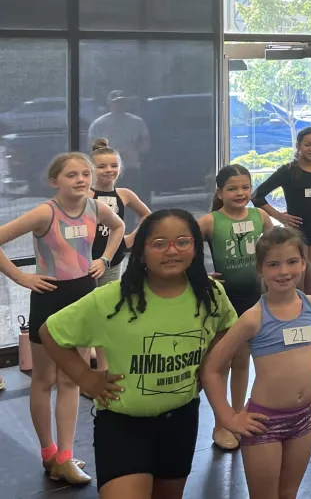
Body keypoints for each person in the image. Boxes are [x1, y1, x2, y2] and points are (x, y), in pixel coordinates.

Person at [39, 209, 236, 498]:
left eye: (182, 241)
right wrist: (86, 378)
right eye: (159, 244)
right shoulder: (113, 297)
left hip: (180, 420)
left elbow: (227, 327)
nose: (171, 250)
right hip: (123, 427)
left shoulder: (210, 293)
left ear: (195, 247)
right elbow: (49, 332)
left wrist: (208, 367)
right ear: (142, 252)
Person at [0, 152, 125, 485]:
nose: (82, 180)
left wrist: (105, 259)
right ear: (55, 181)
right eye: (72, 175)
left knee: (73, 378)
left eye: (85, 173)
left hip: (83, 298)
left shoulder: (96, 207)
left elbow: (120, 227)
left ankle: (66, 456)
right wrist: (21, 277)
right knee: (44, 380)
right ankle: (49, 453)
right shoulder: (45, 213)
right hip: (49, 298)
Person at [201, 227, 311, 499]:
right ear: (260, 270)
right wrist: (228, 417)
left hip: (305, 417)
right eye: (273, 264)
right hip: (265, 423)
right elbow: (212, 369)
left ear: (303, 263)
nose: (284, 271)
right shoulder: (253, 318)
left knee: (288, 493)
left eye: (291, 262)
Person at [199, 164, 272, 450]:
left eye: (245, 187)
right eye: (232, 188)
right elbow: (183, 246)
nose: (240, 193)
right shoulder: (210, 221)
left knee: (243, 361)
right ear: (220, 192)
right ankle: (221, 422)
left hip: (254, 300)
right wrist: (202, 275)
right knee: (222, 363)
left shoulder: (260, 216)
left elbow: (275, 249)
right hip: (224, 303)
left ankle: (237, 415)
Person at [89, 139, 151, 371]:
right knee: (87, 309)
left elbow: (147, 216)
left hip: (112, 261)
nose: (109, 170)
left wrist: (128, 240)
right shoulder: (85, 194)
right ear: (91, 169)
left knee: (107, 309)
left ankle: (104, 364)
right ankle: (85, 359)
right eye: (102, 166)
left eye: (113, 165)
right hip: (85, 262)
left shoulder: (124, 194)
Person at [252, 127, 311, 296]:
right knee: (299, 285)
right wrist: (279, 216)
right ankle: (296, 319)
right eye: (308, 144)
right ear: (299, 146)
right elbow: (257, 196)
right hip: (297, 232)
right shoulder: (288, 170)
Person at [87, 91, 151, 200]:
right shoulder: (99, 124)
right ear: (109, 104)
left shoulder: (136, 122)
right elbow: (93, 147)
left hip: (131, 167)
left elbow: (145, 142)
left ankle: (130, 217)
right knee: (110, 201)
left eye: (121, 102)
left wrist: (135, 151)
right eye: (116, 102)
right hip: (109, 169)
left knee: (131, 199)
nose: (119, 105)